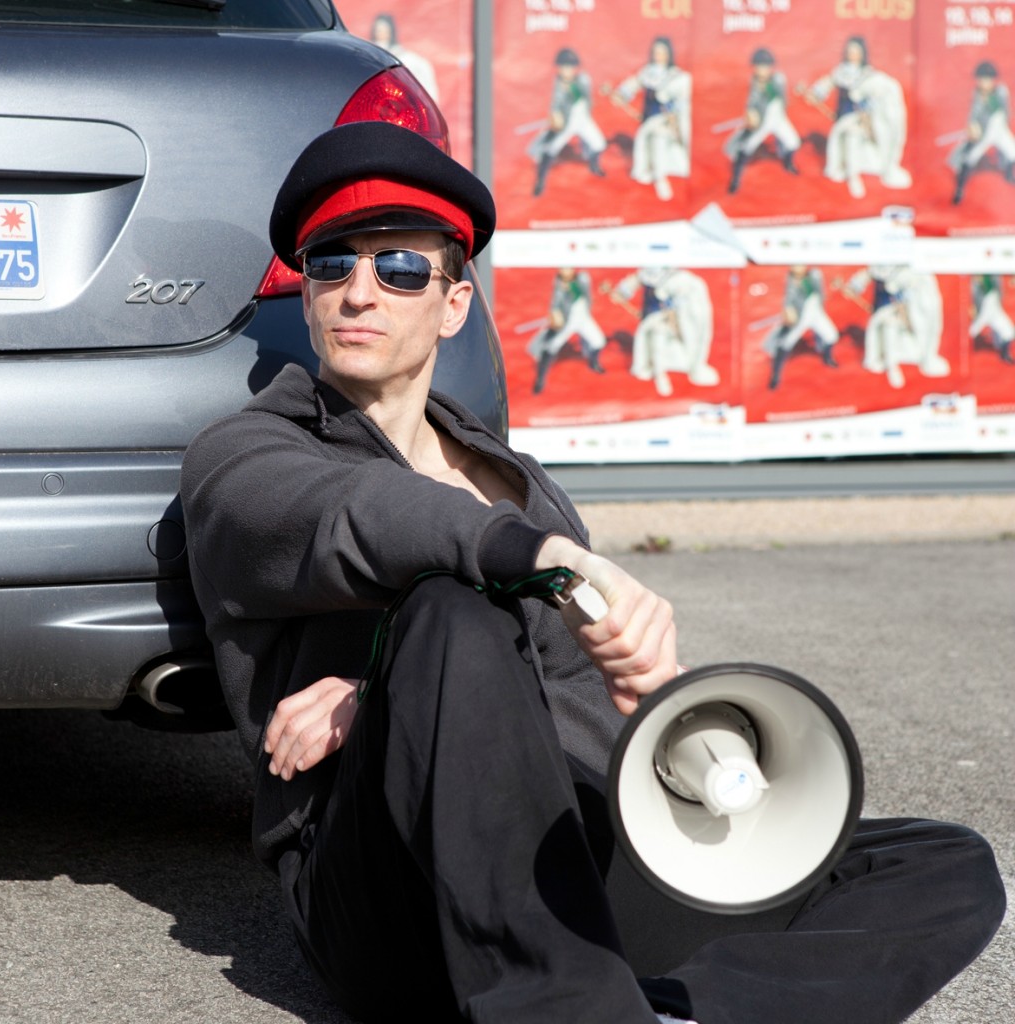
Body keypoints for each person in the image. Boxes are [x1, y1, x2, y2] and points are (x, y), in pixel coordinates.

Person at [181, 120, 1005, 1024]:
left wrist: (663, 699)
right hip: (389, 888)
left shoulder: (510, 477)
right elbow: (359, 521)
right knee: (450, 610)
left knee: (939, 863)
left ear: (453, 303)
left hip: (567, 860)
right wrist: (511, 584)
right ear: (306, 298)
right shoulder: (251, 452)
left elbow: (569, 688)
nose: (358, 292)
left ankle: (677, 1011)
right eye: (331, 264)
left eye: (401, 268)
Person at [805, 36, 911, 200]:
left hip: (861, 119)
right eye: (850, 51)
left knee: (854, 140)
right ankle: (845, 171)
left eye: (856, 51)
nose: (852, 54)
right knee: (845, 139)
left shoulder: (868, 74)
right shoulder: (840, 72)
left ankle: (854, 176)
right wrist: (815, 94)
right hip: (843, 117)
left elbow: (872, 100)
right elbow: (826, 85)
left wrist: (868, 120)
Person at [612, 267, 719, 397]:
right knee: (653, 342)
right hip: (651, 315)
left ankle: (661, 374)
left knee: (660, 344)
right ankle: (657, 373)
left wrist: (673, 319)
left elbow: (675, 301)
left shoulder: (676, 278)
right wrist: (621, 292)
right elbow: (635, 281)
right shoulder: (648, 272)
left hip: (667, 318)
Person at [611, 36, 692, 202]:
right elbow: (632, 86)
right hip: (649, 120)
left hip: (665, 121)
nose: (659, 55)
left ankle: (660, 178)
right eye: (656, 52)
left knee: (659, 140)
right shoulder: (647, 72)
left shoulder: (676, 76)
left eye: (662, 52)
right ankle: (648, 171)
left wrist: (674, 120)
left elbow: (681, 102)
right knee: (645, 142)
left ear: (669, 53)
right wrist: (621, 95)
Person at [529, 47, 608, 196]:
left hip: (583, 118)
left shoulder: (582, 79)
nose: (567, 70)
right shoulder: (557, 84)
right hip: (568, 121)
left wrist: (573, 86)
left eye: (570, 67)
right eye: (564, 66)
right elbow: (555, 103)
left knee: (599, 143)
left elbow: (586, 93)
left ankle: (594, 165)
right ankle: (540, 181)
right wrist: (555, 115)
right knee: (551, 147)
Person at [724, 47, 801, 195]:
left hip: (779, 119)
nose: (762, 70)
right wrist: (751, 114)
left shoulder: (778, 78)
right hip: (763, 121)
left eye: (765, 66)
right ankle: (735, 179)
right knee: (746, 147)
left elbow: (781, 92)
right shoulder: (754, 83)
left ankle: (788, 163)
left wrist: (768, 86)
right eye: (759, 66)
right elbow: (751, 103)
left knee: (793, 142)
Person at [528, 267, 608, 395]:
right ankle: (540, 379)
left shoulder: (582, 278)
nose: (566, 271)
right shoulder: (558, 284)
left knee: (599, 341)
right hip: (568, 320)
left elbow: (586, 292)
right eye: (563, 269)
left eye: (569, 268)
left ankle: (593, 362)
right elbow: (555, 304)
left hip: (584, 318)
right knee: (551, 346)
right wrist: (555, 314)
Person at [763, 266, 839, 390]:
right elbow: (788, 299)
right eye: (795, 266)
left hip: (816, 312)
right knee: (786, 343)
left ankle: (827, 357)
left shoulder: (814, 274)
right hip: (801, 316)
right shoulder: (791, 281)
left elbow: (822, 287)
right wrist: (788, 310)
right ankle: (775, 376)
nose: (799, 268)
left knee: (831, 335)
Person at [949, 60, 1015, 205]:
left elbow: (1003, 108)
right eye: (981, 79)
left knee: (1013, 152)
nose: (984, 83)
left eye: (987, 79)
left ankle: (1010, 175)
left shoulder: (1001, 91)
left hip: (1000, 129)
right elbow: (973, 114)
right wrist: (972, 126)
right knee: (969, 158)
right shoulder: (977, 95)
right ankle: (959, 190)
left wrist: (988, 99)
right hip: (985, 132)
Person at [369, 12, 439, 103]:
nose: (382, 33)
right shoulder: (370, 56)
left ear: (391, 32)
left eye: (385, 30)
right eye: (379, 30)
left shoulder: (408, 60)